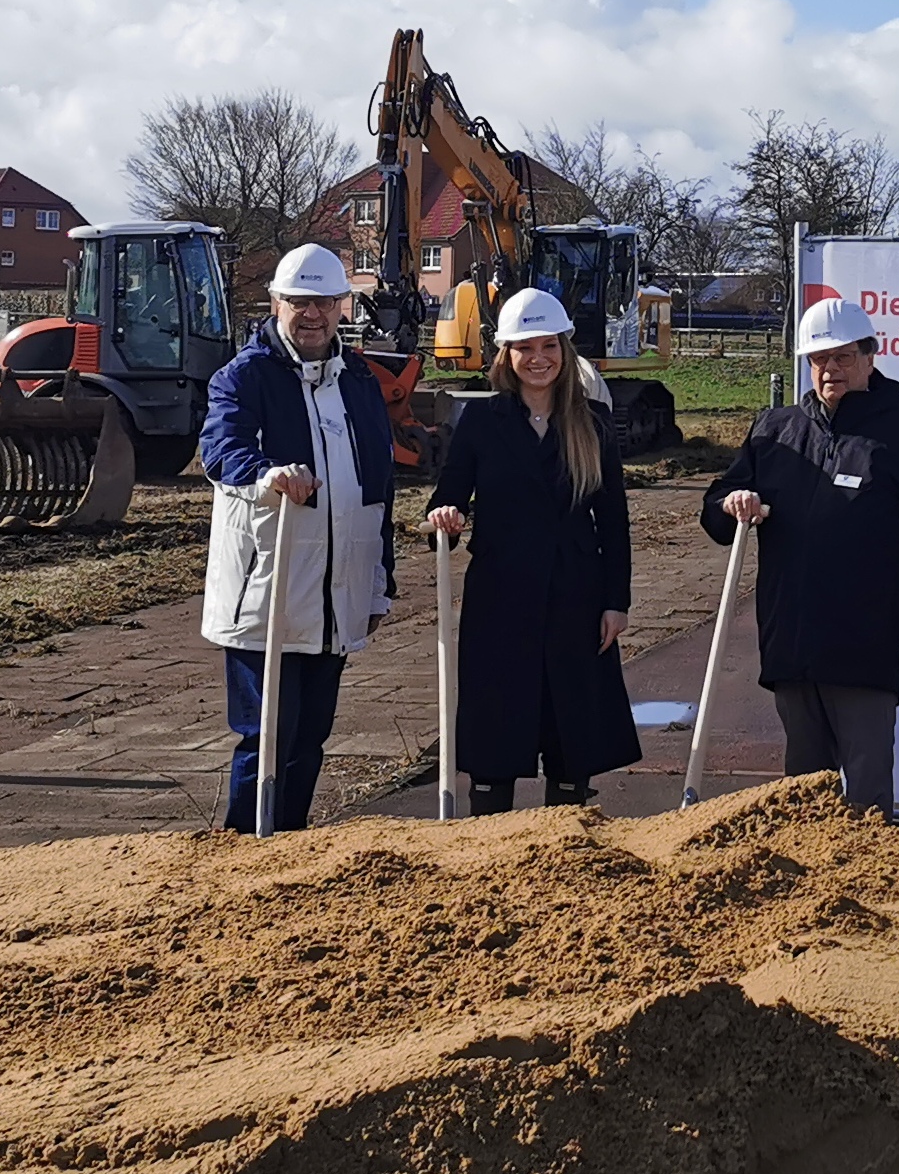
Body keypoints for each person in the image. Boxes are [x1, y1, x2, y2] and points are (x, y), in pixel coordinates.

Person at [700, 297, 899, 814]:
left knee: (866, 794)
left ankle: (868, 864)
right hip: (793, 643)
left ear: (870, 357)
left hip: (868, 646)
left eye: (843, 357)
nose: (830, 369)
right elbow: (716, 511)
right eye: (819, 359)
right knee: (801, 796)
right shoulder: (775, 432)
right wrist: (731, 502)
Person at [199, 242, 397, 831]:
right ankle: (244, 848)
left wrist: (378, 584)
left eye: (325, 303)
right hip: (268, 592)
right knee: (266, 736)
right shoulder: (243, 376)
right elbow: (221, 449)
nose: (312, 315)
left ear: (342, 306)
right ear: (275, 303)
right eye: (298, 302)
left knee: (311, 735)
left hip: (336, 594)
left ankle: (293, 844)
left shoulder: (358, 379)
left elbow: (378, 489)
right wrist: (267, 475)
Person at [424, 287, 641, 814]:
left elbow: (613, 519)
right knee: (497, 725)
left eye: (548, 346)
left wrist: (616, 601)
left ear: (565, 349)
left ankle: (568, 832)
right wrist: (444, 519)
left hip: (576, 597)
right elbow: (446, 500)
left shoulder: (592, 422)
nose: (538, 358)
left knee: (571, 727)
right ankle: (487, 831)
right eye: (525, 347)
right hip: (500, 599)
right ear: (507, 354)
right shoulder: (480, 422)